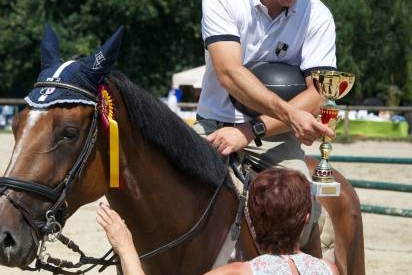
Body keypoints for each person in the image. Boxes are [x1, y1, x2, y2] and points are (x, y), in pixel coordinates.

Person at [96, 167, 339, 275]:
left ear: (251, 218)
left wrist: (125, 246)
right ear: (307, 219)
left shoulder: (237, 273)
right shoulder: (328, 269)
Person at [194, 0, 337, 179]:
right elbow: (228, 72)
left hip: (276, 135)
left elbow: (320, 94)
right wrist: (292, 115)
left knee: (297, 197)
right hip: (213, 126)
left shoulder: (318, 14)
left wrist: (249, 131)